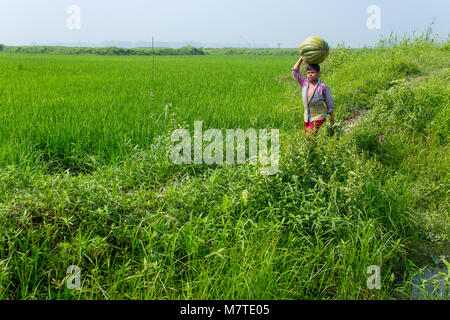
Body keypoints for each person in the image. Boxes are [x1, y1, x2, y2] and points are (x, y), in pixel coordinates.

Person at [291, 57, 334, 137]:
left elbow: (329, 102)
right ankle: (314, 148)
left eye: (312, 72)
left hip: (319, 116)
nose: (310, 74)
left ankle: (309, 149)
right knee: (310, 137)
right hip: (307, 116)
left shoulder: (323, 86)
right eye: (308, 73)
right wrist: (301, 58)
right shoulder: (304, 83)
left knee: (310, 136)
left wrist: (331, 117)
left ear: (318, 73)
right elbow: (295, 71)